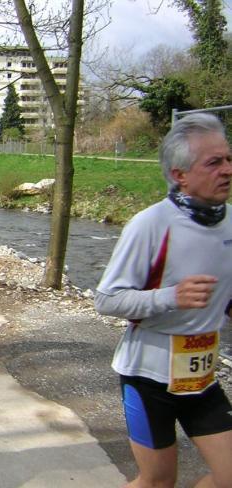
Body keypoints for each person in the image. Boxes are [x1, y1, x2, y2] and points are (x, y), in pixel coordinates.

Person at [95, 113, 232, 488]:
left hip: (201, 378)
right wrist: (172, 297)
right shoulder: (150, 224)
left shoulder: (231, 223)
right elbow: (107, 299)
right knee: (157, 481)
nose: (227, 169)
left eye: (229, 158)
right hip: (148, 377)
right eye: (214, 162)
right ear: (179, 175)